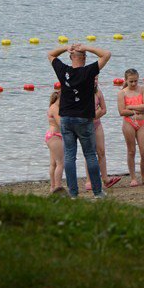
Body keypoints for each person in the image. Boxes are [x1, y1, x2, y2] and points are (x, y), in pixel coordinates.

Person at [48, 43, 112, 199]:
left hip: (66, 118)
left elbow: (51, 54)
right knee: (90, 155)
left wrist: (65, 47)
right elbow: (106, 54)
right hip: (83, 118)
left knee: (70, 156)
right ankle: (97, 192)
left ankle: (73, 193)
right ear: (84, 58)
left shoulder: (64, 71)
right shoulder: (88, 71)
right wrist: (87, 47)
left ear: (71, 58)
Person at [118, 68, 144, 187]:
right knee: (131, 151)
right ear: (126, 80)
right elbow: (121, 111)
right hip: (128, 123)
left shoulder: (143, 89)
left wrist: (130, 107)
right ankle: (133, 178)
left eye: (135, 81)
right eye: (131, 81)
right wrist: (136, 111)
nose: (134, 83)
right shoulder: (122, 93)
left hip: (141, 123)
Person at [84, 76, 121, 191]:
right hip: (86, 127)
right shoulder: (82, 93)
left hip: (97, 124)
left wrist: (95, 115)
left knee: (101, 151)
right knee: (89, 153)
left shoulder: (98, 93)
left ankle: (105, 178)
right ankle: (89, 180)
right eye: (93, 79)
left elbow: (104, 109)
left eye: (96, 79)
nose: (95, 81)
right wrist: (92, 115)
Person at [45, 90, 64, 192]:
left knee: (53, 163)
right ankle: (57, 186)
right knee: (60, 163)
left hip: (51, 135)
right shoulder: (55, 108)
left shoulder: (53, 107)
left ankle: (52, 186)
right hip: (55, 136)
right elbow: (61, 123)